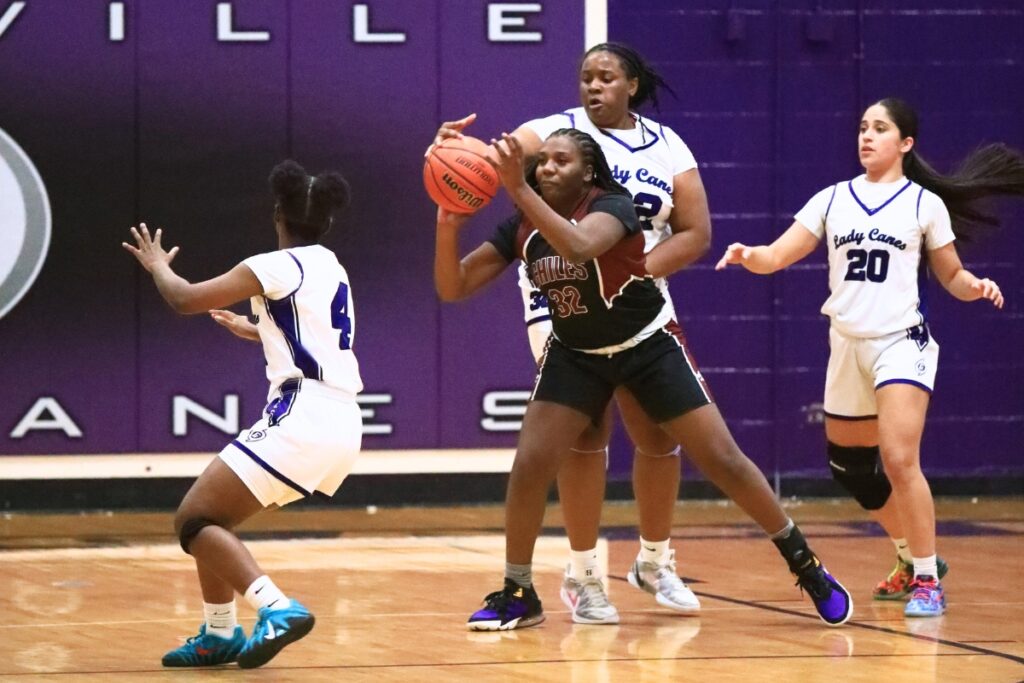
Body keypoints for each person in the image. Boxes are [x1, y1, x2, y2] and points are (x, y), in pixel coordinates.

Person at [434, 127, 853, 630]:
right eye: (541, 161)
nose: (545, 167)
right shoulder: (522, 226)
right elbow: (453, 286)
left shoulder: (614, 205)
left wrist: (519, 189)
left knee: (723, 459)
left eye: (560, 161)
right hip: (576, 353)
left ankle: (806, 565)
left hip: (647, 346)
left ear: (587, 171)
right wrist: (448, 224)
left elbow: (581, 249)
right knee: (530, 464)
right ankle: (519, 590)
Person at [431, 42, 711, 624]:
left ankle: (656, 560)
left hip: (639, 302)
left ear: (631, 84)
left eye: (606, 77)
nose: (593, 87)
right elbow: (493, 159)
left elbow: (696, 232)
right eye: (585, 77)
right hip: (557, 297)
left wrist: (633, 274)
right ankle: (584, 574)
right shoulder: (556, 130)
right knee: (585, 434)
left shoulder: (668, 145)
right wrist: (450, 148)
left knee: (659, 435)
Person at [715, 97, 1024, 617]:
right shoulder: (832, 199)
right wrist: (751, 256)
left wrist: (975, 286)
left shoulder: (924, 204)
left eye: (880, 129)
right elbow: (779, 254)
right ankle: (910, 557)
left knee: (901, 459)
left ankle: (928, 580)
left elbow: (951, 274)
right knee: (852, 468)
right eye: (862, 127)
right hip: (847, 344)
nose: (866, 136)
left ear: (905, 143)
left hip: (901, 343)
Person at [123, 160, 362, 665]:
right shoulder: (331, 265)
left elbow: (184, 299)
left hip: (303, 415)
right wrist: (259, 332)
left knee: (192, 519)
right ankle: (219, 633)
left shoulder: (274, 265)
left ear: (279, 213)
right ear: (327, 222)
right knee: (213, 522)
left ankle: (276, 608)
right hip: (340, 420)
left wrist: (157, 265)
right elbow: (316, 339)